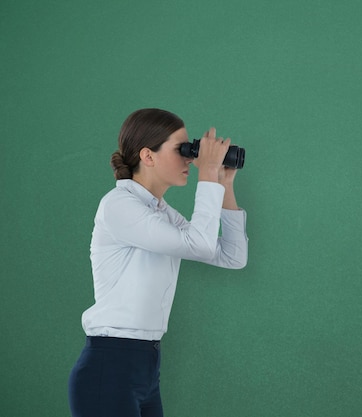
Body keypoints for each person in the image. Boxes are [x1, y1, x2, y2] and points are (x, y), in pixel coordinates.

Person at [68, 108, 248, 417]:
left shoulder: (160, 213)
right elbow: (201, 245)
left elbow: (233, 256)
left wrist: (223, 183)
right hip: (110, 366)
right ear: (148, 156)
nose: (191, 158)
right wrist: (207, 175)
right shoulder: (119, 206)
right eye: (182, 150)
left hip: (146, 365)